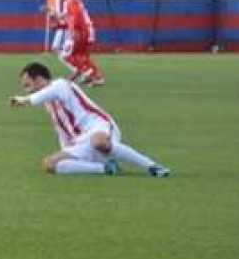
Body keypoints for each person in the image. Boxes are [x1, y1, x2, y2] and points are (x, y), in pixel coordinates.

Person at [10, 62, 169, 177]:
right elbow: (62, 130)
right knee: (49, 164)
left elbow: (38, 96)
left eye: (28, 85)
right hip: (81, 141)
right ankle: (105, 168)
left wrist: (24, 100)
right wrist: (66, 150)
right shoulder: (48, 103)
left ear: (39, 79)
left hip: (98, 126)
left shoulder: (60, 84)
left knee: (98, 142)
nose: (27, 90)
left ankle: (152, 166)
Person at [61, 0, 105, 86]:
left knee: (69, 55)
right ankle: (93, 76)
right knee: (82, 56)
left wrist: (74, 31)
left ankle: (89, 74)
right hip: (86, 30)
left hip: (83, 31)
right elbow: (69, 16)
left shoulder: (70, 0)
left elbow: (75, 16)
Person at [44, 0, 74, 74]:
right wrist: (51, 10)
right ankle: (79, 70)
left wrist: (54, 13)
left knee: (58, 50)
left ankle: (77, 70)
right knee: (62, 50)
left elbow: (65, 8)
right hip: (63, 23)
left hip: (65, 24)